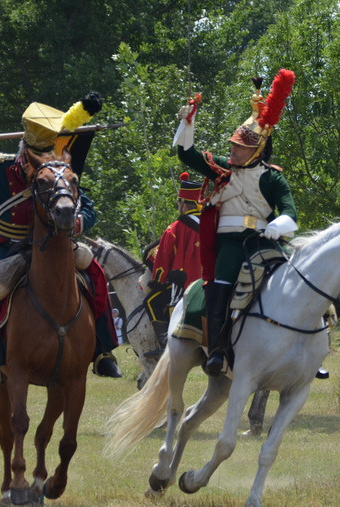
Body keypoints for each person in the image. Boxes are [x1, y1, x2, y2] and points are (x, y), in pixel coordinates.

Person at [0, 92, 122, 392]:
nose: (46, 161)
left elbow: (87, 207)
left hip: (56, 245)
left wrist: (78, 221)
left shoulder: (59, 170)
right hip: (11, 246)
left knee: (94, 272)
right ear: (26, 152)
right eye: (39, 157)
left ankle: (103, 351)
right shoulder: (0, 169)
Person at [174, 70, 299, 376]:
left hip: (264, 241)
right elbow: (187, 154)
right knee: (221, 284)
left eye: (239, 146)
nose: (232, 149)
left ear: (257, 149)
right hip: (230, 244)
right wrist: (187, 123)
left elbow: (290, 212)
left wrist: (277, 226)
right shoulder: (221, 168)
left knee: (300, 278)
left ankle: (307, 349)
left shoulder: (272, 177)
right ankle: (217, 349)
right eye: (233, 145)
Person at [144, 172, 203, 353]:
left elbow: (163, 258)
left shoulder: (175, 228)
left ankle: (164, 345)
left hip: (185, 283)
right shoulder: (211, 224)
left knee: (151, 302)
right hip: (209, 281)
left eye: (179, 204)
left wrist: (158, 281)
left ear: (184, 205)